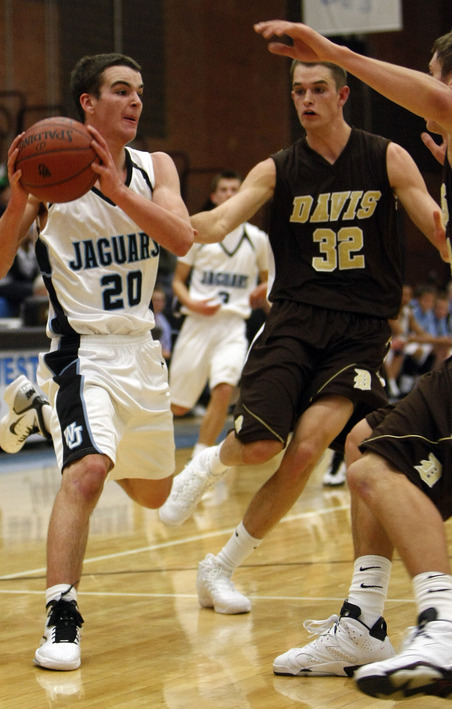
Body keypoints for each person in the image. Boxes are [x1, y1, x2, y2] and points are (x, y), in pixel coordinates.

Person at [157, 44, 449, 628]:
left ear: (342, 95)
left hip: (361, 331)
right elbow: (216, 222)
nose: (307, 99)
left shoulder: (387, 158)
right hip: (294, 321)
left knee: (312, 447)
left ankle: (220, 566)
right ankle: (213, 461)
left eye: (318, 89)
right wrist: (150, 214)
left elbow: (438, 231)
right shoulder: (278, 167)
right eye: (297, 91)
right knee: (264, 447)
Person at [251, 18, 452, 699]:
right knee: (370, 449)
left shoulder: (403, 144)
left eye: (433, 78)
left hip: (367, 327)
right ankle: (366, 619)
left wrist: (335, 53)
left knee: (376, 464)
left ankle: (441, 627)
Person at [0, 51, 193, 671]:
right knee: (88, 473)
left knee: (155, 496)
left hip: (143, 352)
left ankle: (41, 415)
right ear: (87, 104)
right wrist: (17, 198)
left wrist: (120, 192)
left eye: (141, 91)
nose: (135, 102)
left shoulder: (155, 168)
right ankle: (61, 618)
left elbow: (181, 238)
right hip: (82, 353)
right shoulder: (47, 173)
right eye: (121, 90)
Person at [166, 170, 268, 464]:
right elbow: (177, 282)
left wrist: (260, 291)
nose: (229, 195)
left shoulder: (257, 239)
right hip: (198, 324)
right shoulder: (199, 231)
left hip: (233, 326)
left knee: (224, 388)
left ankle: (200, 461)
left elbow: (267, 280)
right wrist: (194, 305)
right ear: (214, 196)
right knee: (178, 406)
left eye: (235, 189)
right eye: (223, 189)